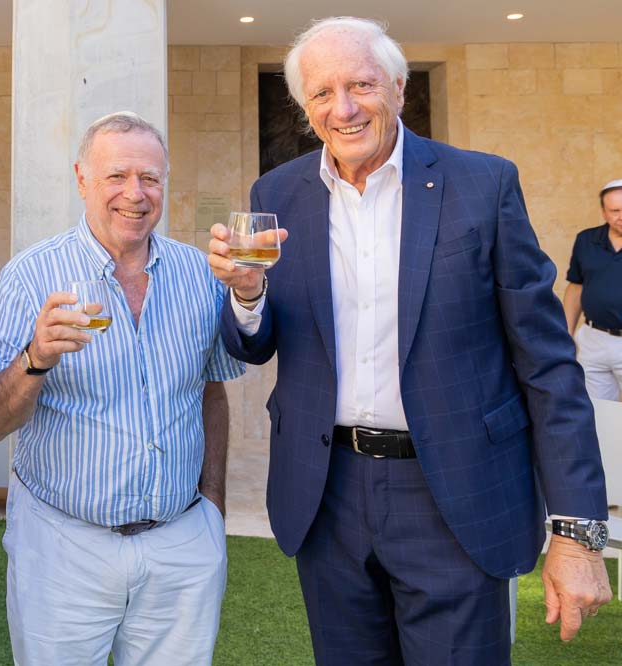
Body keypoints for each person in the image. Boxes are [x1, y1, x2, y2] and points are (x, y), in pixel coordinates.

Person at [207, 17, 611, 666]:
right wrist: (248, 294)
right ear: (306, 108)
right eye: (322, 93)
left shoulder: (482, 185)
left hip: (454, 491)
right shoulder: (277, 194)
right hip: (327, 494)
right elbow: (256, 345)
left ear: (398, 87)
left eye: (362, 85)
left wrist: (576, 532)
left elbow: (548, 365)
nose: (343, 108)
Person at [0, 111, 244, 665]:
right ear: (82, 179)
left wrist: (212, 508)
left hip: (181, 545)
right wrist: (36, 358)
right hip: (63, 547)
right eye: (116, 176)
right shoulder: (30, 276)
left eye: (150, 178)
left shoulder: (199, 275)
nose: (135, 194)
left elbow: (210, 393)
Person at [564, 179, 622, 401]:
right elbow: (576, 287)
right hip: (593, 340)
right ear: (604, 212)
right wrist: (566, 332)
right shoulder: (586, 240)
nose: (621, 216)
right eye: (615, 211)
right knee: (594, 408)